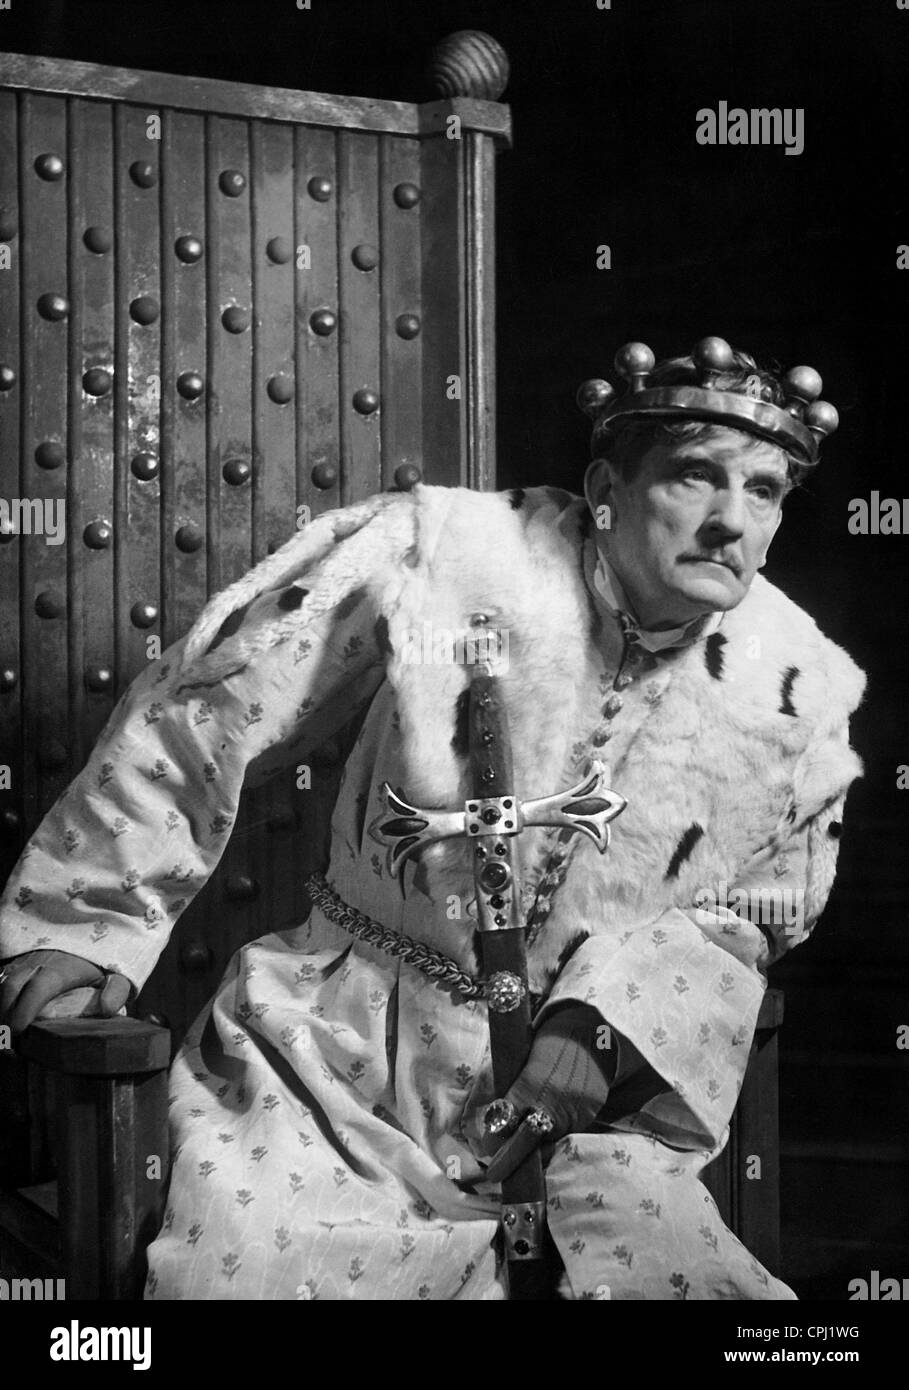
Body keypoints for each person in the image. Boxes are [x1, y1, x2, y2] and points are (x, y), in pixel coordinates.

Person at [0, 338, 866, 1300]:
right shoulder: (446, 555)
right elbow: (214, 705)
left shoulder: (801, 687)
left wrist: (609, 1026)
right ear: (606, 485)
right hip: (331, 1062)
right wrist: (90, 918)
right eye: (694, 478)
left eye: (763, 491)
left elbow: (754, 914)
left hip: (584, 1118)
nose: (728, 523)